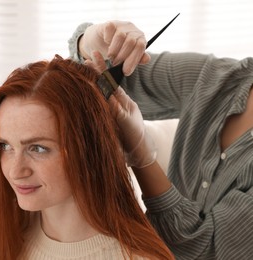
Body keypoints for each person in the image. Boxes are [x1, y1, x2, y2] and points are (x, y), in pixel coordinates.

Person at [68, 20, 253, 259]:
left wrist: (142, 158)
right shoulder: (219, 78)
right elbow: (106, 80)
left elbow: (206, 249)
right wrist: (91, 42)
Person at [0, 55, 174, 259]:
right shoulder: (8, 237)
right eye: (5, 145)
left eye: (37, 148)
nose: (15, 171)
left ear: (88, 148)